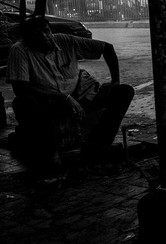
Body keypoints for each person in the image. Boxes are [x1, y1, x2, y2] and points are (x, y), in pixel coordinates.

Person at [5, 16, 135, 172]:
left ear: (50, 30)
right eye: (36, 34)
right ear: (27, 38)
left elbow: (107, 48)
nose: (44, 36)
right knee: (22, 103)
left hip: (78, 99)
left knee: (123, 91)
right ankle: (49, 154)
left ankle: (98, 145)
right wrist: (63, 98)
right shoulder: (19, 50)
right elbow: (21, 88)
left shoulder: (65, 40)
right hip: (46, 104)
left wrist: (115, 81)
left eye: (46, 31)